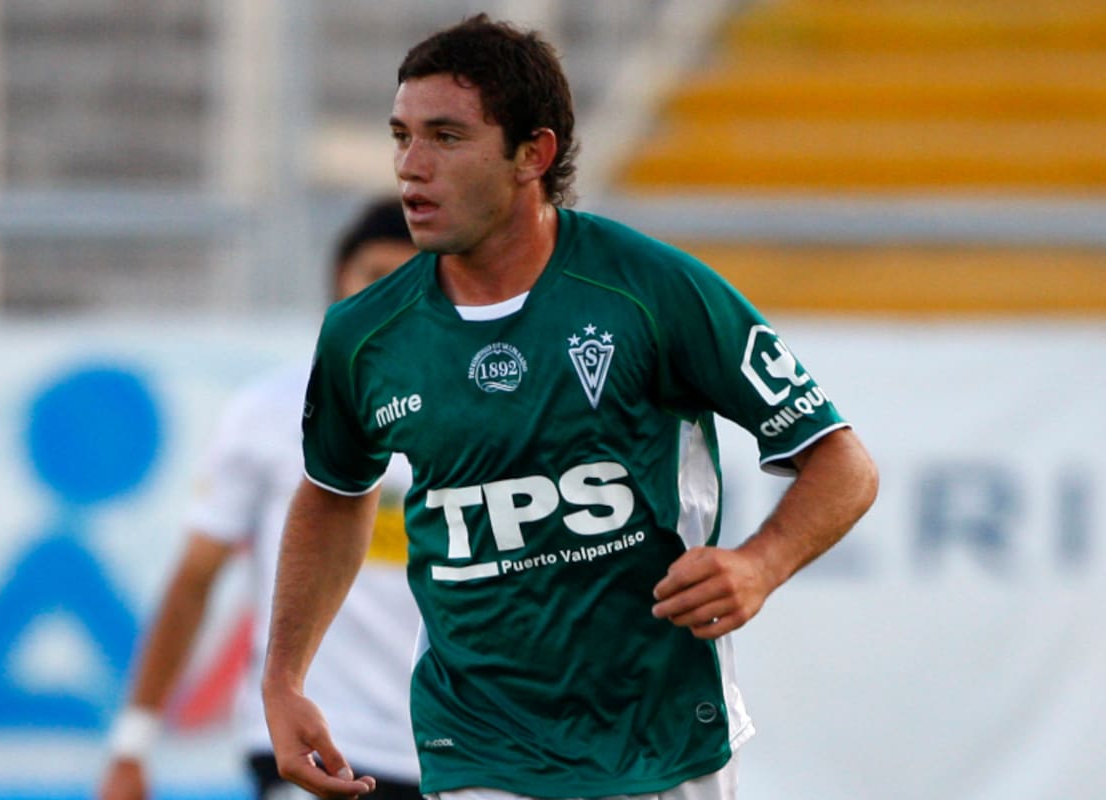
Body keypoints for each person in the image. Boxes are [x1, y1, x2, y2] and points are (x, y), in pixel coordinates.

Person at [263, 14, 878, 800]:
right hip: (480, 746)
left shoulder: (652, 291)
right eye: (401, 136)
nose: (410, 168)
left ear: (534, 153)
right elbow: (333, 496)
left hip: (661, 739)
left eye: (446, 137)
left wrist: (759, 564)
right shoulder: (365, 334)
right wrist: (283, 679)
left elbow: (843, 463)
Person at [99, 198, 423, 800]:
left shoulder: (478, 418)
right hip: (316, 745)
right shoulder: (272, 411)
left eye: (407, 281)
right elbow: (195, 578)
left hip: (453, 748)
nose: (386, 300)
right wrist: (132, 745)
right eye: (374, 277)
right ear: (338, 284)